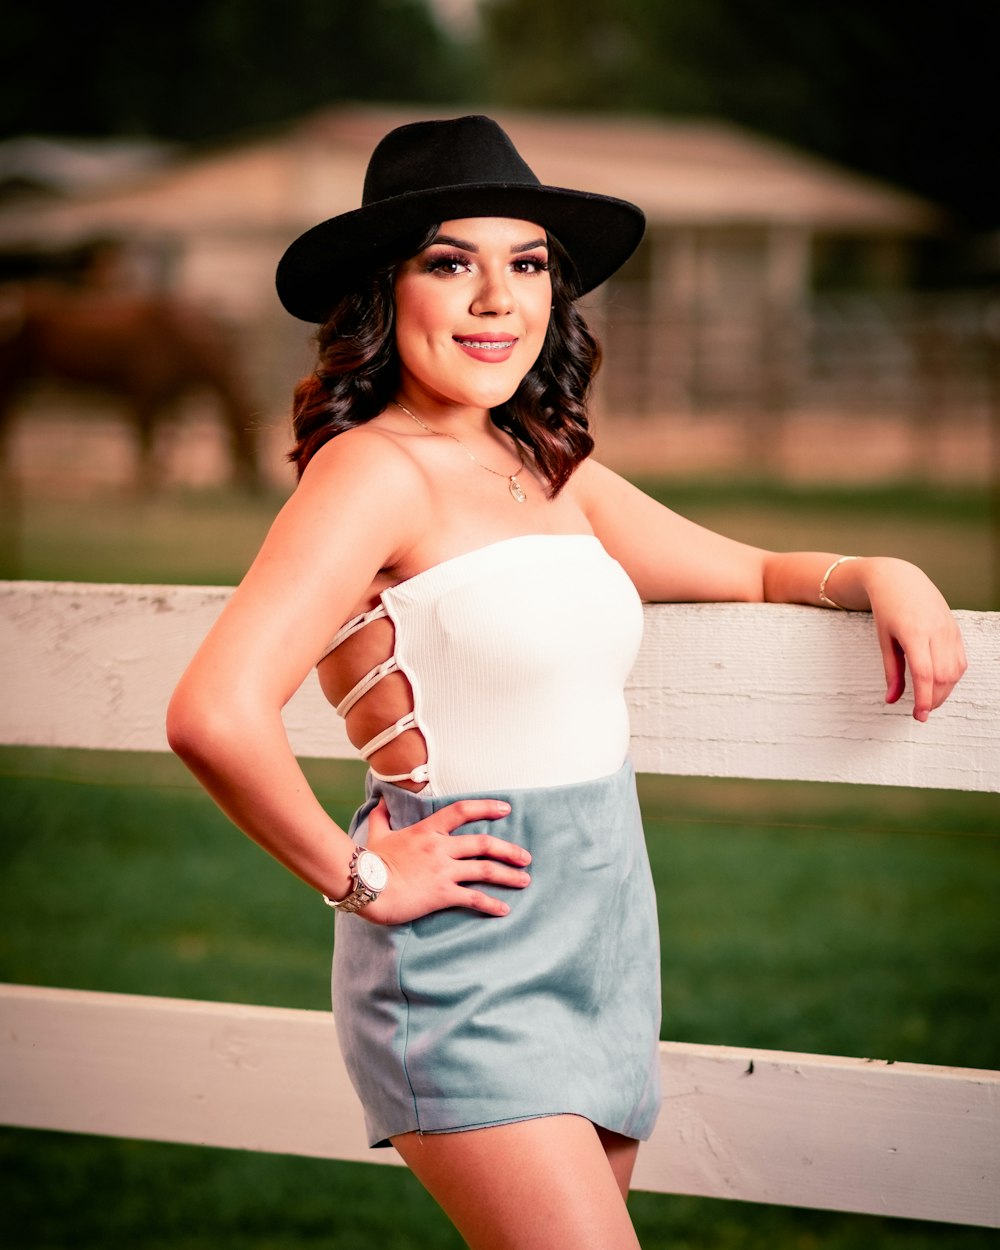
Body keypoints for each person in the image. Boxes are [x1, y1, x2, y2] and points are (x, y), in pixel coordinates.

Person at [166, 115, 967, 1250]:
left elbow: (749, 566)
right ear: (380, 294)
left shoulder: (547, 463)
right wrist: (358, 873)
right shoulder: (369, 471)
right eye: (452, 263)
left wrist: (883, 569)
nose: (498, 298)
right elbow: (212, 710)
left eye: (527, 263)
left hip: (604, 932)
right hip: (467, 947)